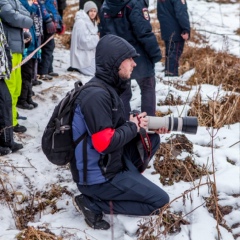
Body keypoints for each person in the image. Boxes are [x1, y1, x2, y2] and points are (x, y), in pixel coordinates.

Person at [71, 34, 169, 230]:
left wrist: (141, 125)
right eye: (129, 59)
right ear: (115, 62)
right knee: (160, 202)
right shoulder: (96, 96)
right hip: (98, 177)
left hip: (110, 162)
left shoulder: (107, 88)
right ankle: (92, 203)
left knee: (151, 137)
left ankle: (129, 181)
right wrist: (132, 127)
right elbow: (103, 143)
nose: (134, 64)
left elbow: (113, 127)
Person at [100, 0, 162, 120]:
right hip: (138, 55)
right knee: (147, 86)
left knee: (123, 91)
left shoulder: (106, 4)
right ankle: (149, 125)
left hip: (117, 56)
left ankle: (125, 126)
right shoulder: (135, 3)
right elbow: (143, 32)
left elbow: (104, 34)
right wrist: (155, 54)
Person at [0, 0, 33, 133]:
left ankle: (12, 118)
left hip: (18, 49)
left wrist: (20, 15)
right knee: (10, 88)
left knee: (17, 88)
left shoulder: (14, 1)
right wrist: (22, 17)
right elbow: (12, 17)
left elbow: (26, 12)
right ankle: (10, 123)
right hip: (9, 51)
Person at [0, 19, 23, 155]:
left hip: (1, 73)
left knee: (6, 102)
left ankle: (7, 140)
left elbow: (3, 43)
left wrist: (7, 59)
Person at [18, 0, 43, 109]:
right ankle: (22, 99)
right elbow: (26, 12)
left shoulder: (33, 5)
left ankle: (28, 97)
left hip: (32, 46)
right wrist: (31, 5)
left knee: (30, 74)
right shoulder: (23, 3)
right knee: (25, 75)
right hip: (26, 49)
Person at [157, 0, 190, 77]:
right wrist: (186, 29)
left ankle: (168, 73)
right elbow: (181, 14)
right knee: (174, 54)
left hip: (166, 28)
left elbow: (160, 13)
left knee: (170, 53)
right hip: (176, 30)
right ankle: (171, 76)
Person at [69, 1, 99, 76]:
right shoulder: (81, 23)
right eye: (91, 11)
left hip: (88, 55)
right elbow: (83, 42)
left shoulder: (91, 21)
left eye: (95, 11)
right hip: (82, 57)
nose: (93, 13)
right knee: (96, 73)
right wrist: (97, 37)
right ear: (87, 11)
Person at [38, 0, 64, 80]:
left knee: (51, 47)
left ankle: (49, 69)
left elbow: (55, 11)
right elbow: (42, 8)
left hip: (52, 25)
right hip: (46, 26)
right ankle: (43, 72)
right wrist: (48, 20)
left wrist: (60, 22)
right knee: (47, 48)